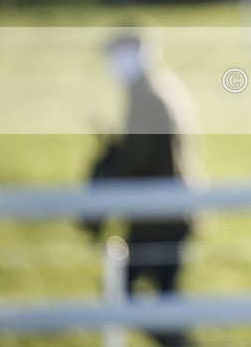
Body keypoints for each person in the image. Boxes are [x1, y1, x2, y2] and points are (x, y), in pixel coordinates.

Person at [87, 27, 204, 346]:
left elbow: (137, 156)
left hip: (159, 216)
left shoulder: (147, 95)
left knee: (120, 293)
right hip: (170, 212)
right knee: (163, 300)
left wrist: (104, 179)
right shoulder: (158, 88)